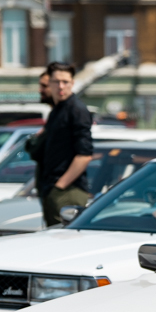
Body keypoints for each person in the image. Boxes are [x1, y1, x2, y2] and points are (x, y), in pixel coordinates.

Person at [40, 62, 94, 226]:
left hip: (69, 190)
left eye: (66, 82)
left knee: (64, 242)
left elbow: (84, 155)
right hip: (54, 188)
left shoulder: (76, 110)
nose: (61, 86)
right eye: (56, 81)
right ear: (49, 83)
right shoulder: (57, 110)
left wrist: (60, 186)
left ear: (73, 83)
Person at [24, 67, 55, 195]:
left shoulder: (67, 114)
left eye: (44, 86)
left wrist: (60, 185)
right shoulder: (55, 115)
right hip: (48, 188)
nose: (40, 90)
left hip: (55, 189)